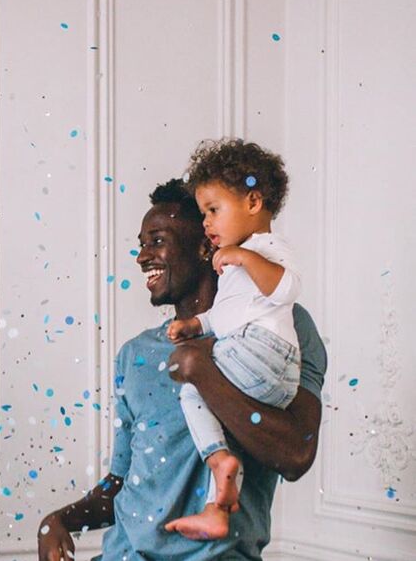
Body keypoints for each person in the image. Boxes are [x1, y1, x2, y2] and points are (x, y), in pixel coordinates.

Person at [37, 177, 326, 561]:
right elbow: (122, 482)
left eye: (156, 240)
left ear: (207, 246)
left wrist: (202, 371)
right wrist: (57, 520)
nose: (142, 257)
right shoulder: (134, 355)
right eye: (141, 245)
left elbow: (296, 455)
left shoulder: (281, 324)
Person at [164, 139, 301, 539]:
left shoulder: (267, 247)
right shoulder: (242, 258)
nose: (206, 222)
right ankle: (218, 505)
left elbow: (287, 287)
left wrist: (247, 258)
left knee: (192, 384)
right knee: (217, 407)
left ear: (253, 202)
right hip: (263, 368)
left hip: (265, 352)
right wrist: (197, 325)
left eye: (213, 210)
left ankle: (218, 459)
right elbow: (229, 314)